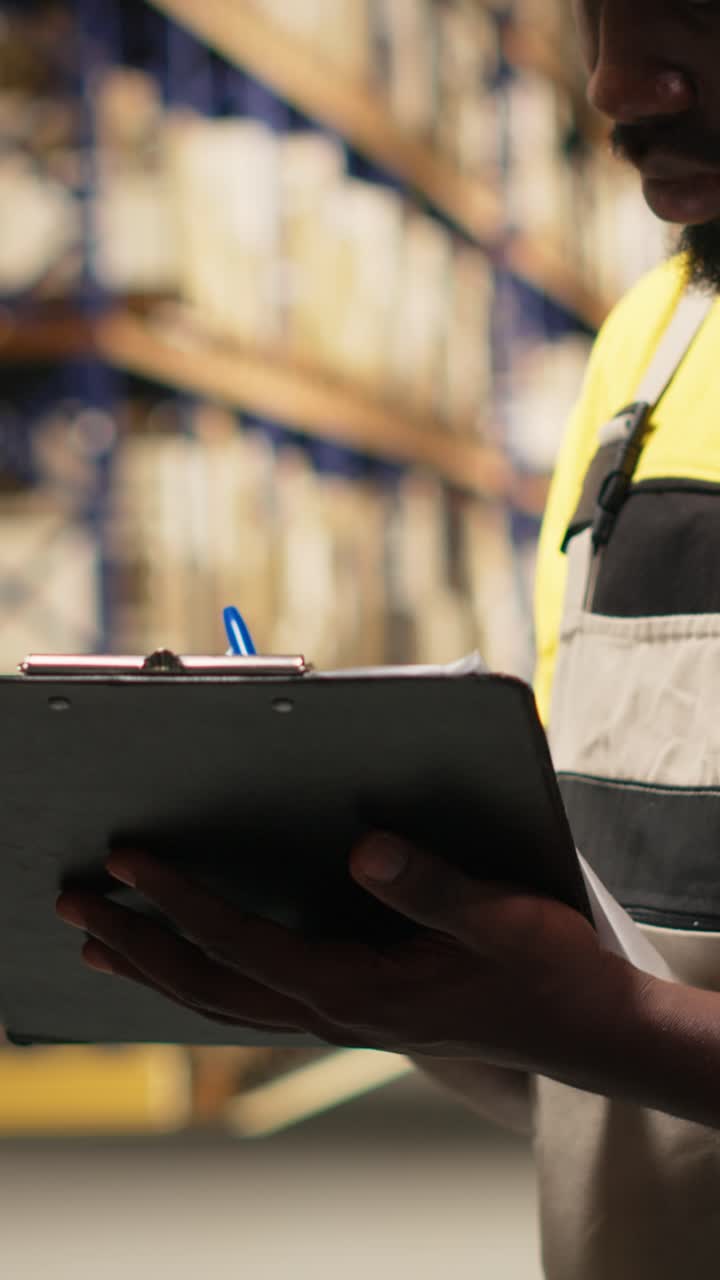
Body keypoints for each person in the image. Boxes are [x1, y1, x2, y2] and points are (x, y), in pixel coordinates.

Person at [55, 2, 720, 1276]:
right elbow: (597, 1062)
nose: (617, 85)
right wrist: (377, 974)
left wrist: (619, 1025)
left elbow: (623, 1025)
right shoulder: (647, 353)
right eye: (599, 10)